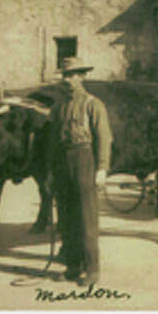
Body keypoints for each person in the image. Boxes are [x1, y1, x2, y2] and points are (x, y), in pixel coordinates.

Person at [47, 57, 113, 285]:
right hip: (62, 161)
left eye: (72, 75)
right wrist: (51, 172)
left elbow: (104, 138)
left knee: (86, 217)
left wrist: (102, 168)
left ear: (82, 76)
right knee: (66, 217)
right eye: (64, 75)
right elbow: (53, 142)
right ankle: (73, 266)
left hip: (85, 159)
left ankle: (92, 269)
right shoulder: (57, 108)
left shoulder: (93, 104)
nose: (67, 80)